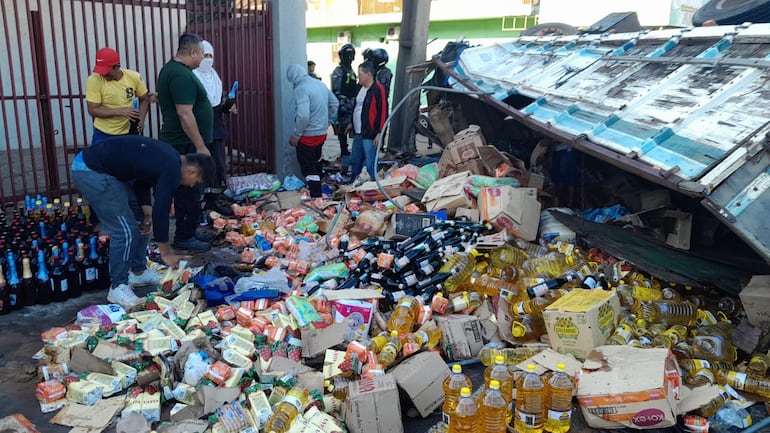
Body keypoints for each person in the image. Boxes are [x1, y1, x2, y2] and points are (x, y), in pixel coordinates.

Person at [70, 135, 214, 309]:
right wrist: (165, 252)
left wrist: (146, 210)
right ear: (193, 171)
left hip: (106, 170)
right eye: (195, 183)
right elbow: (162, 208)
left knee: (140, 219)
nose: (191, 186)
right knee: (125, 230)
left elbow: (142, 182)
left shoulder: (172, 159)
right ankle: (118, 286)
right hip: (91, 170)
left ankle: (138, 271)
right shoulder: (172, 168)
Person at [157, 32, 214, 252]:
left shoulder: (177, 71)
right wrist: (200, 145)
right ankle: (184, 235)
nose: (202, 57)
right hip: (184, 142)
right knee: (187, 191)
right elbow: (184, 113)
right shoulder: (180, 75)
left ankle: (189, 229)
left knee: (191, 190)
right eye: (201, 52)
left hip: (183, 141)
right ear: (191, 52)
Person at [192, 40, 236, 214]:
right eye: (205, 55)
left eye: (211, 56)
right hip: (199, 130)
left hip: (216, 130)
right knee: (199, 167)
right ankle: (197, 203)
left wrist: (229, 106)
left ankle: (212, 202)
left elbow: (218, 104)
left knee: (217, 166)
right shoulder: (193, 76)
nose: (208, 59)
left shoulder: (214, 77)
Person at [287, 64, 339, 197]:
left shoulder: (300, 88)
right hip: (321, 134)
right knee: (316, 163)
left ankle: (316, 197)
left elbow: (303, 115)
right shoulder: (319, 84)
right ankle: (320, 191)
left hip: (307, 135)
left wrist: (296, 135)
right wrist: (327, 122)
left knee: (308, 167)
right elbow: (334, 104)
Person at [85, 47, 152, 144]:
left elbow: (144, 98)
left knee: (128, 158)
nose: (103, 75)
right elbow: (92, 110)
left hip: (128, 131)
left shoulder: (134, 77)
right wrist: (120, 111)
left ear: (116, 67)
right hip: (103, 132)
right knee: (102, 159)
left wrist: (141, 119)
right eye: (100, 71)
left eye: (106, 72)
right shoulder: (93, 80)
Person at [347, 61, 388, 181]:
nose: (358, 77)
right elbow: (358, 108)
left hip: (370, 133)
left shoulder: (378, 89)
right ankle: (354, 183)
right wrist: (352, 123)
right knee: (355, 160)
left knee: (370, 162)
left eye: (360, 74)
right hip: (358, 132)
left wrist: (380, 132)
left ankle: (373, 186)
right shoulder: (360, 89)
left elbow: (383, 112)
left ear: (368, 74)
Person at [331, 44, 357, 165]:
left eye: (351, 55)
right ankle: (344, 151)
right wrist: (341, 106)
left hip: (352, 104)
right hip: (343, 106)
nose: (350, 57)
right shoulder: (338, 71)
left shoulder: (352, 71)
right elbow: (336, 90)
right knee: (342, 131)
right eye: (347, 55)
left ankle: (350, 152)